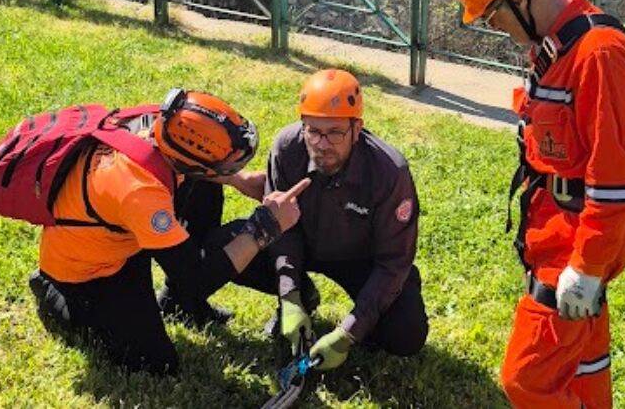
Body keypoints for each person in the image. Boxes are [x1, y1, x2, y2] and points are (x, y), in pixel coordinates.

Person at [451, 0, 625, 408]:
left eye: (493, 14)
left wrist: (586, 266)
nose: (495, 26)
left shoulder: (596, 55)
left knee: (526, 379)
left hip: (578, 236)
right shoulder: (559, 45)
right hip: (561, 225)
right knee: (583, 359)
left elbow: (614, 181)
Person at [29, 88, 307, 376]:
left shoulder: (159, 127)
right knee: (155, 363)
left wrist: (239, 179)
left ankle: (177, 304)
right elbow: (196, 279)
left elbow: (194, 168)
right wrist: (263, 227)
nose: (231, 168)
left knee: (202, 183)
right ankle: (52, 290)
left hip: (120, 229)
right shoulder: (141, 193)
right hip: (89, 270)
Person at [235, 68, 428, 372]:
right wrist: (290, 295)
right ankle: (305, 298)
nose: (322, 144)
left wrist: (349, 332)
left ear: (357, 128)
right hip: (303, 245)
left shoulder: (389, 172)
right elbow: (281, 230)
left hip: (360, 259)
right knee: (232, 246)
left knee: (406, 335)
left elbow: (393, 262)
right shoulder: (287, 148)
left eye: (335, 132)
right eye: (312, 131)